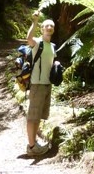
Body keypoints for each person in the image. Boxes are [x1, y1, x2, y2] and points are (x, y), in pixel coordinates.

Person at [25, 11, 56, 156]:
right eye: (47, 25)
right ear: (43, 28)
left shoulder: (52, 46)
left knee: (38, 116)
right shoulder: (38, 43)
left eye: (52, 26)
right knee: (33, 116)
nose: (49, 27)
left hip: (46, 85)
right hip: (37, 85)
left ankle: (34, 143)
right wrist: (35, 21)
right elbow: (28, 38)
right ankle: (31, 147)